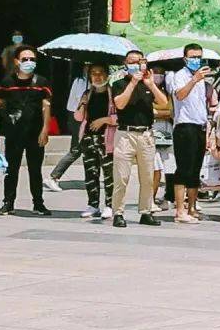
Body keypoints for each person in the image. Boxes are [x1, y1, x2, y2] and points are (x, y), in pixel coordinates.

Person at [0, 45, 53, 215]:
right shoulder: (7, 82)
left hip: (35, 133)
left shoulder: (41, 82)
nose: (29, 62)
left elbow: (46, 107)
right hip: (14, 132)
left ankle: (38, 203)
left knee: (35, 169)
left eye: (32, 59)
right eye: (25, 59)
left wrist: (45, 130)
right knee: (11, 169)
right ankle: (8, 203)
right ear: (17, 61)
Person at [110, 50, 167, 227]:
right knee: (122, 177)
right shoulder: (119, 84)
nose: (136, 65)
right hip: (125, 135)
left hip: (146, 134)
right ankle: (118, 212)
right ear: (125, 64)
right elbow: (119, 104)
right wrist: (133, 82)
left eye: (139, 62)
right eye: (132, 62)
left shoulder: (148, 83)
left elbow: (163, 102)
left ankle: (146, 211)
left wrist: (151, 85)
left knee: (148, 177)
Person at [168, 44, 212, 223]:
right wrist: (194, 79)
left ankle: (192, 207)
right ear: (185, 58)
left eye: (199, 57)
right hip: (185, 126)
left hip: (200, 126)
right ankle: (180, 210)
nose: (196, 60)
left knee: (195, 169)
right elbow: (180, 95)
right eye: (192, 57)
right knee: (184, 168)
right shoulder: (180, 75)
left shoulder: (202, 78)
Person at [73, 63, 115, 219]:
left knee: (109, 174)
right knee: (91, 172)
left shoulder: (113, 94)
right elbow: (78, 117)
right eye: (93, 73)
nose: (97, 76)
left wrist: (104, 120)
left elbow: (121, 117)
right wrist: (82, 103)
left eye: (100, 72)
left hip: (106, 138)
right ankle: (93, 204)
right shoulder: (87, 93)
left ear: (107, 75)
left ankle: (110, 205)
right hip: (88, 138)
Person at [45, 64, 90, 192]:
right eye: (87, 66)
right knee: (76, 150)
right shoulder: (80, 81)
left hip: (83, 118)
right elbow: (80, 101)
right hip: (78, 118)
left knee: (88, 150)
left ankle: (92, 178)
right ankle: (53, 177)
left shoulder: (90, 82)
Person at [150, 66, 176, 212]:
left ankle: (169, 196)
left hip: (167, 131)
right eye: (155, 72)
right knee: (154, 167)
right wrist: (161, 112)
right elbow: (147, 111)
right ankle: (150, 198)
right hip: (151, 131)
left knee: (170, 165)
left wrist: (156, 112)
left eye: (161, 73)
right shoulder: (145, 90)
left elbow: (171, 111)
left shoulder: (167, 92)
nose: (158, 75)